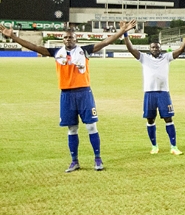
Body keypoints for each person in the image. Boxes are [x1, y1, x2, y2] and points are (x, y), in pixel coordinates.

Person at [2, 20, 137, 172]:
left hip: (84, 93)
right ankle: (74, 161)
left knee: (91, 126)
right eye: (66, 38)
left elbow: (106, 42)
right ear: (63, 39)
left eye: (71, 37)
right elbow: (34, 47)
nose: (68, 40)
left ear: (76, 39)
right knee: (72, 129)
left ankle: (98, 159)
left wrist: (122, 31)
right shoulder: (56, 53)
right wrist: (13, 37)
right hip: (66, 95)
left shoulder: (84, 51)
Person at [123, 22, 185, 155]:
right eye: (153, 47)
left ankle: (173, 147)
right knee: (150, 120)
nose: (155, 49)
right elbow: (131, 49)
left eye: (157, 47)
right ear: (150, 49)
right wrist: (125, 34)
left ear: (160, 49)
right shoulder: (144, 58)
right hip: (149, 93)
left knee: (168, 119)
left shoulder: (166, 57)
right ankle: (154, 146)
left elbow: (180, 50)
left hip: (163, 93)